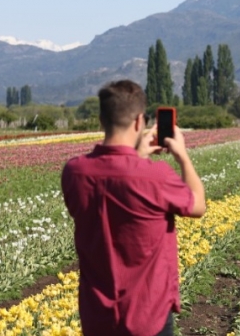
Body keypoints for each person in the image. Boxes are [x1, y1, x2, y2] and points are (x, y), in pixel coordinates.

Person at [61, 80, 206, 336]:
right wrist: (182, 154)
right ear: (140, 121)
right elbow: (197, 204)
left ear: (101, 120)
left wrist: (136, 157)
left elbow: (114, 181)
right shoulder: (156, 177)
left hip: (97, 317)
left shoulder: (75, 172)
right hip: (147, 316)